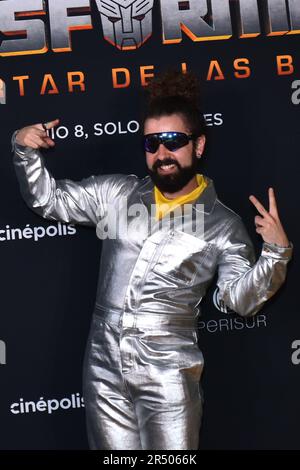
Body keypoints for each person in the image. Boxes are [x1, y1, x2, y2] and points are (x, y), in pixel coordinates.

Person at [12, 71, 292, 450]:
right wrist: (23, 147)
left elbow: (238, 301)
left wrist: (275, 252)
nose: (162, 154)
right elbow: (50, 200)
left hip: (168, 373)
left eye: (174, 141)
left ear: (199, 145)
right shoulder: (117, 194)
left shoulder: (223, 225)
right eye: (152, 143)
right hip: (102, 366)